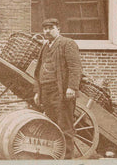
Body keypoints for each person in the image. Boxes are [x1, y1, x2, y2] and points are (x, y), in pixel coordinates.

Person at [33, 18, 82, 159]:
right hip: (46, 92)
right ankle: (54, 155)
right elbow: (38, 70)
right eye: (45, 28)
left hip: (61, 92)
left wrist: (72, 87)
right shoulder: (45, 46)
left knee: (65, 124)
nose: (47, 31)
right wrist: (38, 91)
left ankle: (67, 158)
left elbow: (75, 67)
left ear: (58, 29)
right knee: (51, 124)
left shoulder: (67, 43)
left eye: (51, 28)